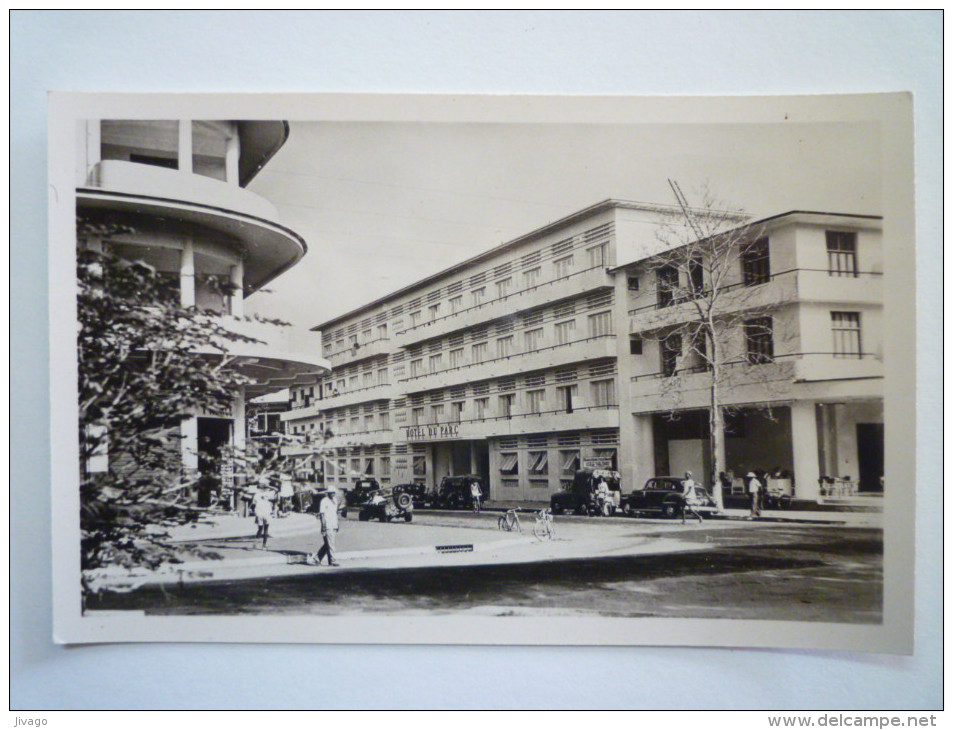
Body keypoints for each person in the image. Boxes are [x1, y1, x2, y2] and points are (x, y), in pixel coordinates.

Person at [310, 489, 340, 566]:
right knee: (331, 543)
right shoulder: (324, 501)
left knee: (328, 543)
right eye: (331, 492)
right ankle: (333, 560)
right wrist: (323, 526)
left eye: (334, 492)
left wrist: (337, 524)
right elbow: (322, 514)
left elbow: (335, 513)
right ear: (328, 493)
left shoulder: (335, 500)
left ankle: (317, 558)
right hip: (327, 524)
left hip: (334, 524)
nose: (333, 494)